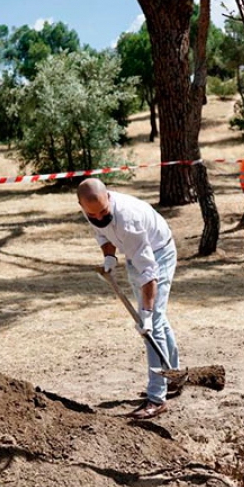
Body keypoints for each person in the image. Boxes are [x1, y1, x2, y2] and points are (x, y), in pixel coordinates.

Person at [78, 178, 179, 420]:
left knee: (151, 326)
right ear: (82, 205)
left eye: (104, 211)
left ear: (109, 198)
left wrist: (144, 314)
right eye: (94, 214)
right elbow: (103, 235)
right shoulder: (91, 209)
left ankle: (157, 398)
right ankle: (173, 376)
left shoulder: (128, 220)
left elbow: (149, 274)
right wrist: (109, 258)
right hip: (134, 255)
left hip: (158, 254)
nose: (100, 217)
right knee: (158, 321)